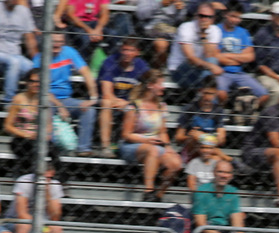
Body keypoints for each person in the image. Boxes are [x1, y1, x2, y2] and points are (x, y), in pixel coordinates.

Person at [120, 69, 182, 200]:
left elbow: (163, 132)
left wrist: (168, 148)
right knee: (152, 150)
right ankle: (148, 191)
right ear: (150, 85)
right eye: (160, 83)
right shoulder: (135, 106)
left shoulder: (161, 106)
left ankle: (158, 195)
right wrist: (146, 140)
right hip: (133, 144)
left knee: (176, 163)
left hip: (155, 144)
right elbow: (126, 134)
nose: (163, 87)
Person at [34, 31, 97, 153]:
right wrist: (59, 105)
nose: (57, 46)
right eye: (54, 42)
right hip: (47, 98)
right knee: (47, 108)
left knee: (89, 110)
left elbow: (86, 73)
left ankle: (83, 149)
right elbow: (41, 89)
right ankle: (49, 147)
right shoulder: (39, 59)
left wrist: (92, 98)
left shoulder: (69, 52)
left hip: (66, 99)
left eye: (60, 42)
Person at [2, 160, 65, 233]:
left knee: (57, 229)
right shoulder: (24, 181)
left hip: (42, 223)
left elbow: (55, 216)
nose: (46, 181)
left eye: (49, 178)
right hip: (15, 221)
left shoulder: (54, 185)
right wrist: (43, 229)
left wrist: (47, 192)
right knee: (24, 226)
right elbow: (22, 213)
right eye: (44, 178)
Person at [5, 68, 75, 171]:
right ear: (27, 82)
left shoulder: (44, 99)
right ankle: (29, 177)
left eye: (38, 82)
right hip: (21, 138)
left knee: (54, 152)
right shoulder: (19, 99)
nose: (35, 84)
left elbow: (49, 124)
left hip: (39, 138)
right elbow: (7, 126)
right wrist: (27, 134)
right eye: (32, 81)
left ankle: (62, 181)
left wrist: (45, 135)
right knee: (29, 150)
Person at [96, 38, 149, 157]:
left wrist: (128, 103)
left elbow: (145, 92)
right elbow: (106, 93)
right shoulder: (110, 62)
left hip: (130, 103)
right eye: (124, 50)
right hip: (110, 101)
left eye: (131, 50)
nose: (127, 53)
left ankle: (129, 143)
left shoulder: (141, 66)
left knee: (135, 108)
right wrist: (120, 102)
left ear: (137, 52)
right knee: (106, 102)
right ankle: (105, 146)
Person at [210, 3, 267, 111]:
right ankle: (225, 113)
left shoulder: (243, 32)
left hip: (239, 73)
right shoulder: (216, 30)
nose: (236, 20)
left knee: (264, 95)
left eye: (238, 17)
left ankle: (245, 113)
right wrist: (239, 57)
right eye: (233, 16)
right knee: (221, 94)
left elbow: (250, 56)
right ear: (225, 14)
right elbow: (215, 56)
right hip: (221, 72)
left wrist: (226, 55)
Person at [0, 0, 37, 103]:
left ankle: (32, 101)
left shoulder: (24, 11)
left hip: (15, 54)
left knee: (33, 69)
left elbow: (29, 37)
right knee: (14, 62)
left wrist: (37, 62)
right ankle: (9, 100)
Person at [166, 3, 219, 93]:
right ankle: (206, 95)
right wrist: (211, 66)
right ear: (196, 16)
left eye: (208, 17)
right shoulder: (186, 27)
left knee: (213, 62)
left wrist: (203, 36)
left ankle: (206, 95)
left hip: (201, 69)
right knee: (212, 71)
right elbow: (190, 58)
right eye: (201, 16)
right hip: (179, 69)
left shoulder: (215, 30)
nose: (204, 19)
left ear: (213, 19)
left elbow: (210, 55)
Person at [62, 0, 132, 60]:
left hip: (94, 22)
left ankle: (113, 63)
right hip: (76, 23)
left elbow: (105, 13)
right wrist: (89, 31)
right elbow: (70, 15)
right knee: (85, 39)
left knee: (112, 35)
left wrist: (98, 29)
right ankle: (83, 66)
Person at [175, 82, 227, 158]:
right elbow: (178, 137)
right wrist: (190, 137)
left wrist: (202, 137)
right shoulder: (190, 108)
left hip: (210, 151)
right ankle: (230, 160)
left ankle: (228, 159)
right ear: (200, 91)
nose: (208, 97)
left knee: (216, 158)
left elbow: (221, 140)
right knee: (195, 139)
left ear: (216, 94)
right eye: (205, 93)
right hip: (192, 149)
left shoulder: (218, 110)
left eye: (211, 94)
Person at [135, 0, 185, 68]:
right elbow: (142, 15)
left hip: (169, 29)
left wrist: (180, 10)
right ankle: (157, 71)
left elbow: (178, 20)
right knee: (161, 44)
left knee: (185, 39)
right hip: (150, 28)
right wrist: (160, 4)